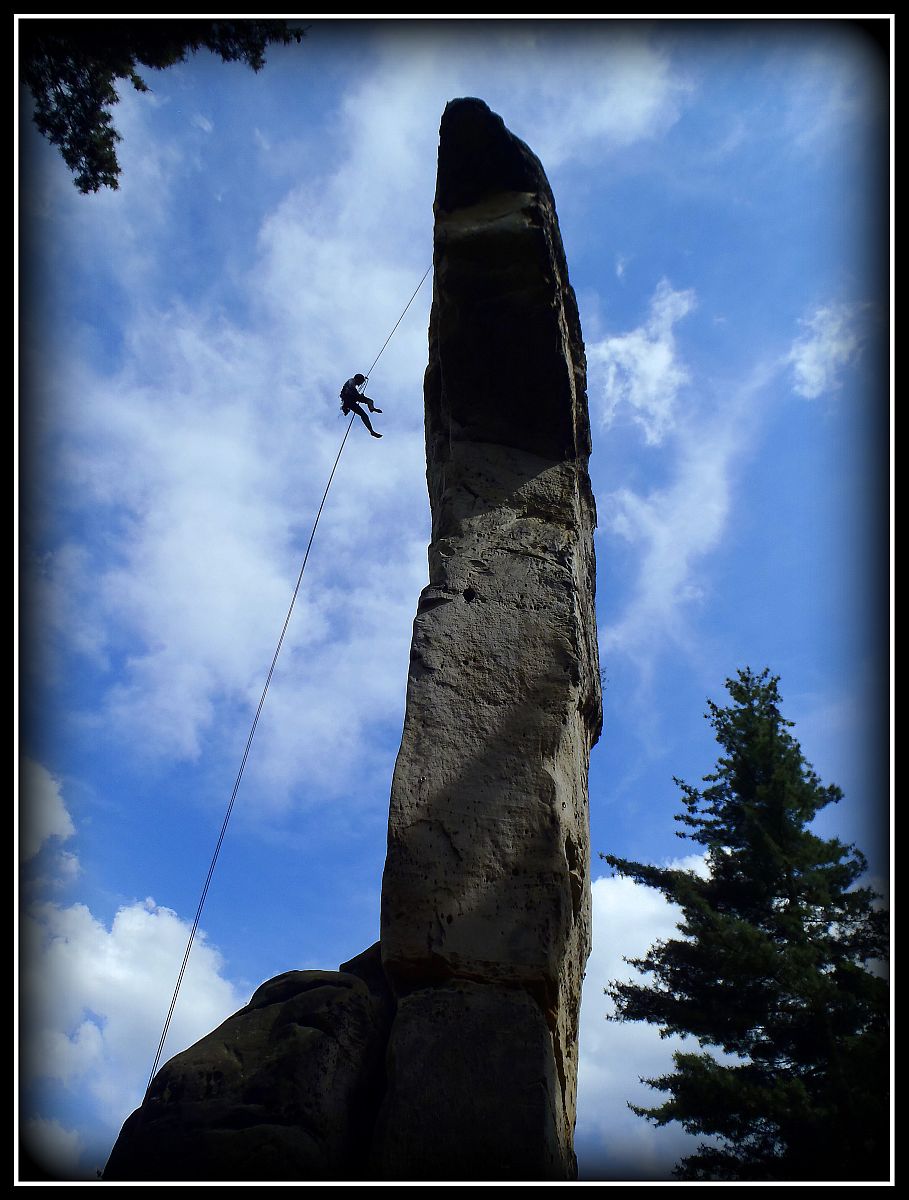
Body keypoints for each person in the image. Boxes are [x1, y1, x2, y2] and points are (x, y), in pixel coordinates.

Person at [340, 373, 383, 438]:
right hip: (349, 399)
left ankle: (372, 409)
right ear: (357, 379)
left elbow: (353, 391)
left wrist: (359, 396)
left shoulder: (353, 382)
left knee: (367, 408)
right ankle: (371, 410)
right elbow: (352, 390)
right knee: (368, 404)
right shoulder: (351, 380)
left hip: (351, 400)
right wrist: (359, 396)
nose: (360, 384)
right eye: (360, 382)